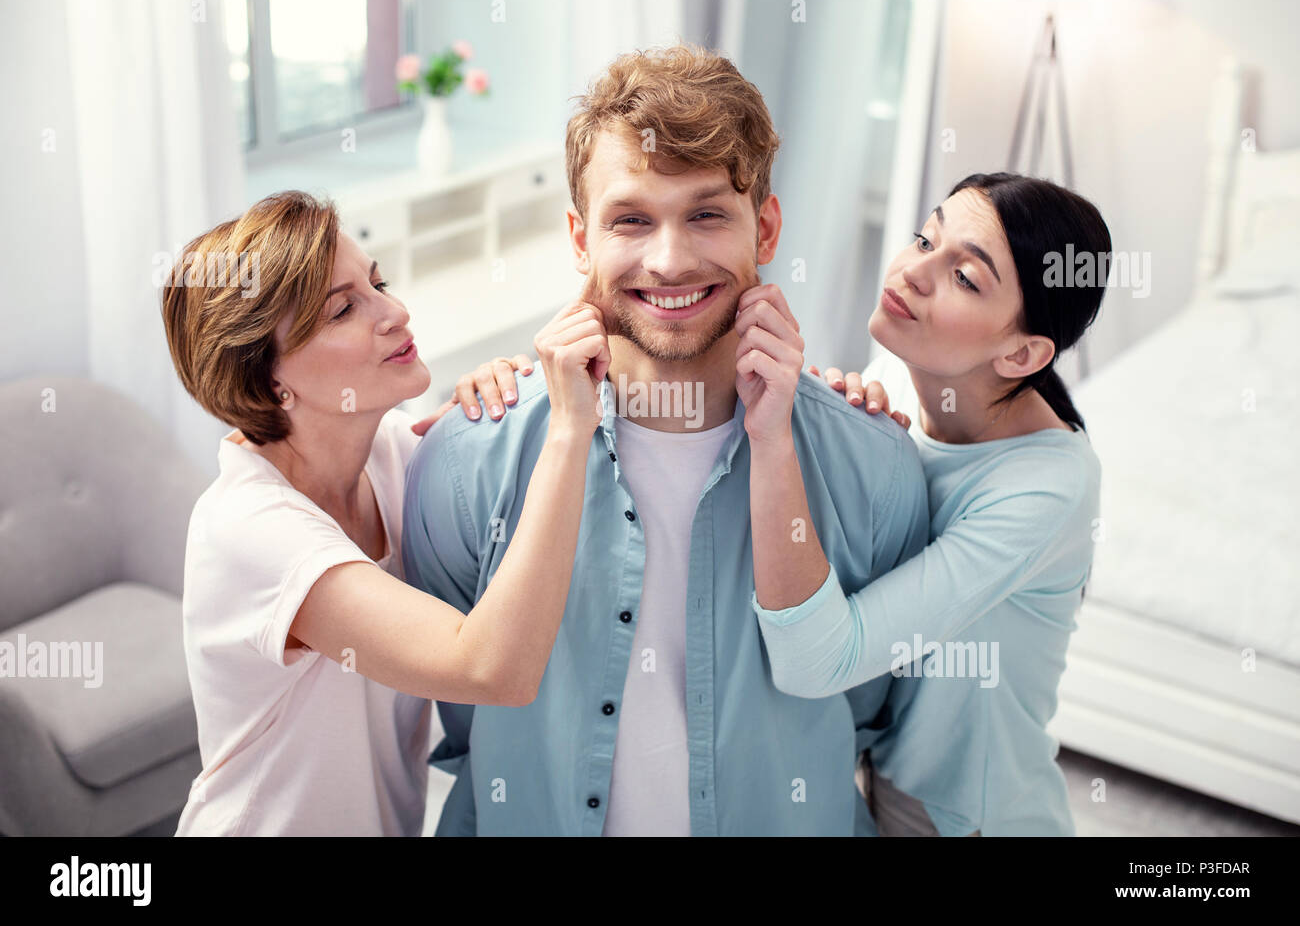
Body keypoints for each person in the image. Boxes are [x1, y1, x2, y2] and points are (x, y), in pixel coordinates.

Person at [401, 43, 930, 836]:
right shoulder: (465, 459)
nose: (670, 259)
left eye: (708, 213)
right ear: (581, 241)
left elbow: (864, 714)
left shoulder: (876, 466)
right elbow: (465, 706)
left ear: (767, 226)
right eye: (631, 220)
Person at [160, 190, 607, 835]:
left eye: (379, 284)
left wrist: (499, 412)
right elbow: (488, 667)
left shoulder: (395, 455)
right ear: (265, 380)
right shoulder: (249, 531)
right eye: (343, 310)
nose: (395, 312)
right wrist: (568, 428)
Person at [748, 172, 1108, 835]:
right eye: (924, 238)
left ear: (1022, 352)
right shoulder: (897, 380)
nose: (914, 271)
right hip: (875, 780)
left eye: (965, 278)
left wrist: (778, 437)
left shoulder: (1049, 486)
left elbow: (815, 659)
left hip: (968, 818)